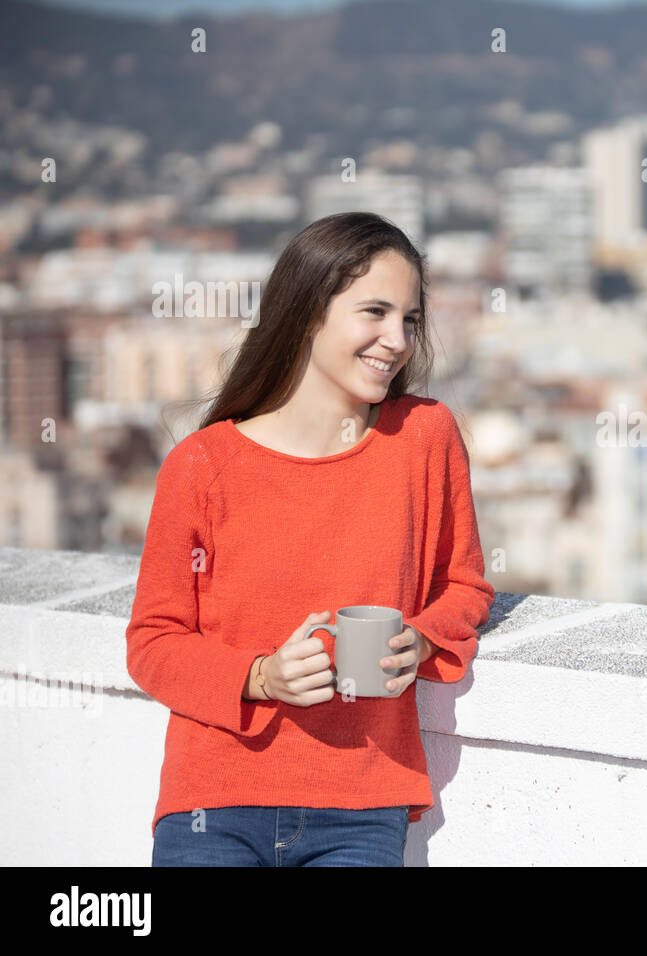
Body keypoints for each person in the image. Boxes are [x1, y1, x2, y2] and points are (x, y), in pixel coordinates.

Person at [126, 211, 496, 866]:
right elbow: (153, 641)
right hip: (214, 799)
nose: (398, 340)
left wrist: (424, 641)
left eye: (409, 319)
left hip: (361, 803)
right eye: (374, 312)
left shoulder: (425, 439)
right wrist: (260, 676)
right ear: (306, 313)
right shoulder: (202, 465)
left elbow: (464, 586)